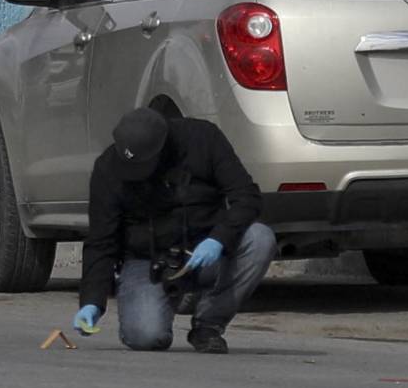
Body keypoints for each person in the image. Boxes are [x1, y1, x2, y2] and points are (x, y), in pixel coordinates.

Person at [73, 108, 277, 354]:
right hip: (147, 261)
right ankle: (166, 302)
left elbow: (247, 197)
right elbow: (101, 241)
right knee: (145, 337)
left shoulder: (203, 138)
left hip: (206, 251)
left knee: (260, 238)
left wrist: (219, 239)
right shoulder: (107, 169)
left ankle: (208, 325)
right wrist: (92, 301)